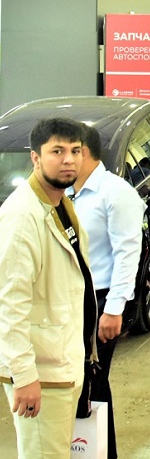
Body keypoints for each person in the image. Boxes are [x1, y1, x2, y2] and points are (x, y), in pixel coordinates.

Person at [0, 117, 95, 458]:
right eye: (57, 151)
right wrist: (24, 376)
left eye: (75, 151)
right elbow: (8, 306)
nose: (69, 159)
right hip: (42, 374)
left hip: (64, 361)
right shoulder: (22, 217)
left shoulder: (60, 204)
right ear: (36, 158)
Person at [68, 124, 145, 459]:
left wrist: (113, 309)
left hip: (100, 301)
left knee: (93, 385)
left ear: (83, 152)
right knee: (79, 386)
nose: (64, 160)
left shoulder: (115, 192)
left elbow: (127, 253)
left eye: (69, 151)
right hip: (70, 300)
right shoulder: (66, 192)